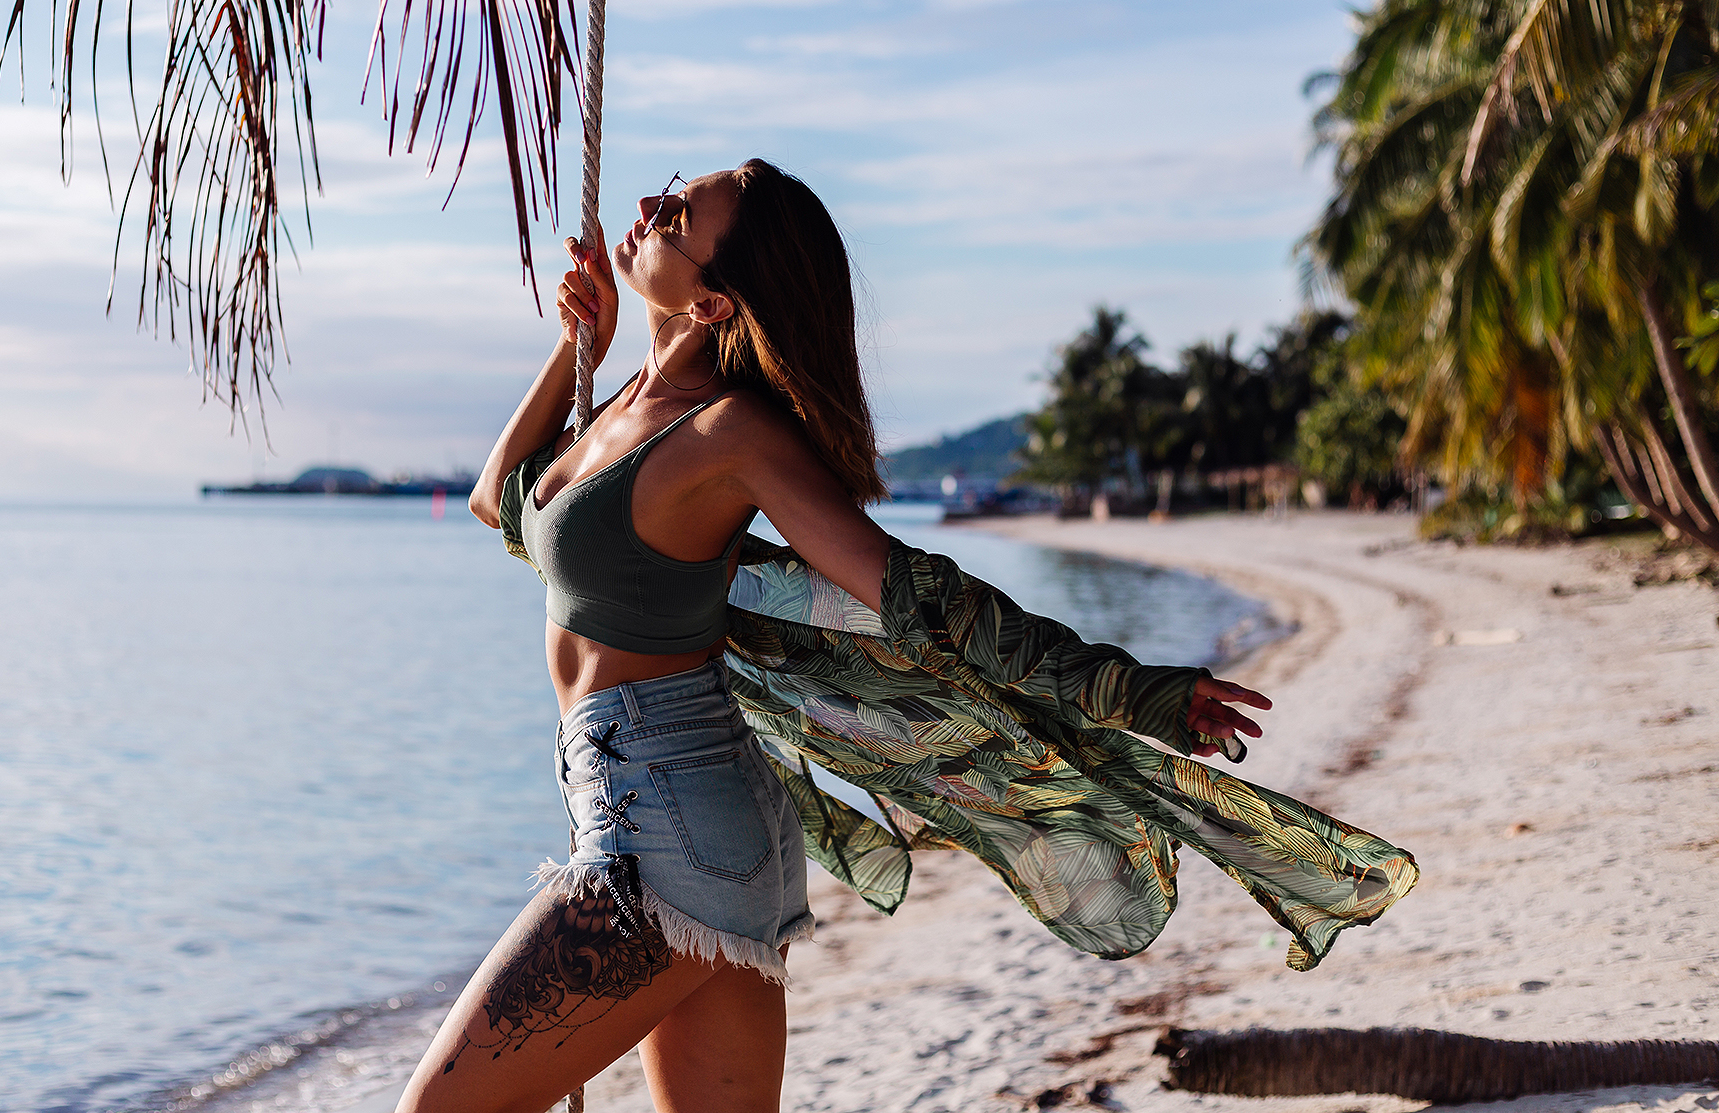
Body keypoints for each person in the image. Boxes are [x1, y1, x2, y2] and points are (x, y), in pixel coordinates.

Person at [396, 160, 1285, 1113]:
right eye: (666, 193)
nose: (648, 211)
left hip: (663, 836)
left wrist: (1129, 690)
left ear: (716, 302)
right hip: (694, 824)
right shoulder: (621, 409)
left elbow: (922, 598)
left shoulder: (730, 433)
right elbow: (503, 503)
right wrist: (581, 341)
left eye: (677, 217)